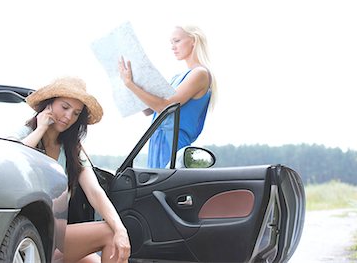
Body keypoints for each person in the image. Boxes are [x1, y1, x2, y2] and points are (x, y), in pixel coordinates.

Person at [14, 76, 130, 263]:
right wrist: (40, 129)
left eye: (76, 113)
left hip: (57, 234)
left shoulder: (71, 149)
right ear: (49, 104)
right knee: (109, 234)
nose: (68, 117)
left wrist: (121, 229)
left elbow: (95, 191)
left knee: (107, 244)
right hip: (23, 233)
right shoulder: (24, 135)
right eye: (65, 107)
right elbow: (13, 162)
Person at [118, 25, 217, 168]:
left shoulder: (200, 73)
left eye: (176, 41)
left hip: (174, 145)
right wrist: (133, 82)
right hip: (157, 142)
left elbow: (165, 107)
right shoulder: (176, 78)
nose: (173, 47)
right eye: (171, 43)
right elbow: (149, 110)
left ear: (193, 40)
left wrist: (130, 84)